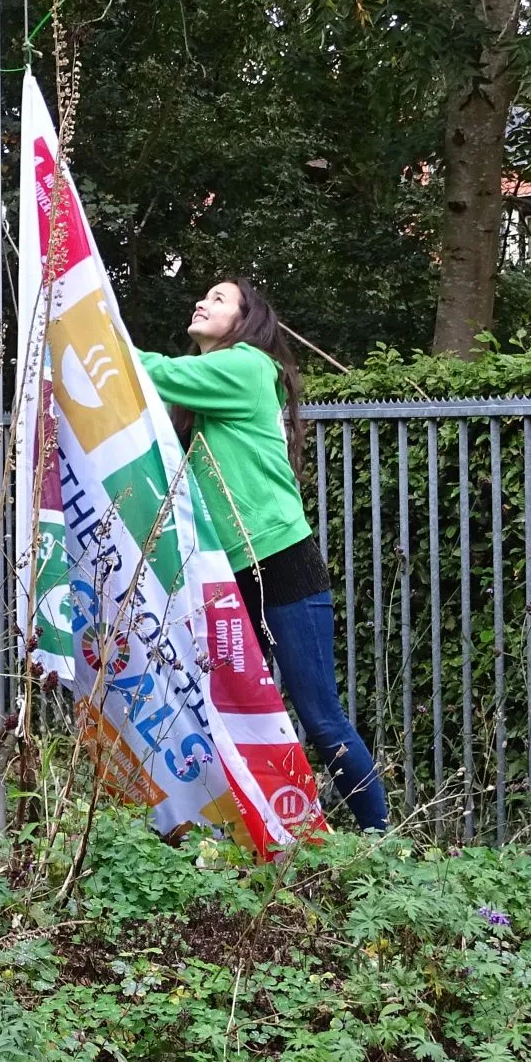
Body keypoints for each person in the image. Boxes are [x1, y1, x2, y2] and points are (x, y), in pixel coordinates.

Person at [137, 279, 390, 831]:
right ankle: (259, 836)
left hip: (279, 560)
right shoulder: (205, 395)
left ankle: (381, 845)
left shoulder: (248, 366)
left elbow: (151, 372)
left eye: (219, 299)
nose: (202, 302)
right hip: (226, 571)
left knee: (321, 718)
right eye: (202, 296)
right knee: (228, 715)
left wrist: (94, 340)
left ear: (247, 321)